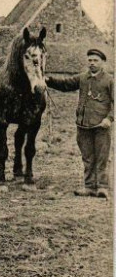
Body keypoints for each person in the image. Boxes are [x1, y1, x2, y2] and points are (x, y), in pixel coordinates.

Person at [45, 48, 113, 199]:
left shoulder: (109, 80)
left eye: (95, 60)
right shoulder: (82, 78)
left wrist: (109, 118)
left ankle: (102, 187)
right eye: (90, 60)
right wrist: (48, 81)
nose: (92, 63)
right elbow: (65, 84)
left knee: (102, 157)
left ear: (102, 62)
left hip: (101, 126)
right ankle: (89, 187)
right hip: (83, 126)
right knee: (87, 157)